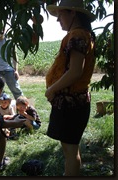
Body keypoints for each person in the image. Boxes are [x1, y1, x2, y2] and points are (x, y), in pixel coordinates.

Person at [45, 0, 96, 176]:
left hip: (71, 104)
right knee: (70, 150)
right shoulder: (81, 34)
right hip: (72, 103)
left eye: (61, 15)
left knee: (70, 151)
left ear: (73, 13)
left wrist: (51, 89)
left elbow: (75, 72)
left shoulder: (77, 36)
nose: (59, 20)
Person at [0, 29, 23, 100]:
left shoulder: (10, 42)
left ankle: (23, 107)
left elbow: (14, 57)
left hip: (9, 70)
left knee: (16, 90)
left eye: (1, 32)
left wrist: (16, 70)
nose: (0, 35)